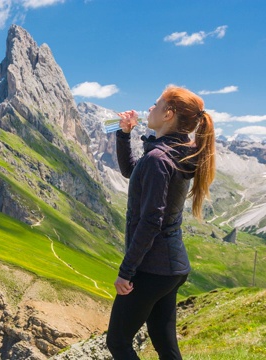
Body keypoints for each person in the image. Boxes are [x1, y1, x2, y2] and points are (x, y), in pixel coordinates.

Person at [106, 86, 216, 359]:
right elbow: (133, 171)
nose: (149, 110)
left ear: (169, 114)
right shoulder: (177, 152)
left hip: (151, 268)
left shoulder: (158, 158)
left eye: (154, 106)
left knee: (118, 342)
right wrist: (124, 133)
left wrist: (126, 270)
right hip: (171, 268)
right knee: (164, 342)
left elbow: (151, 220)